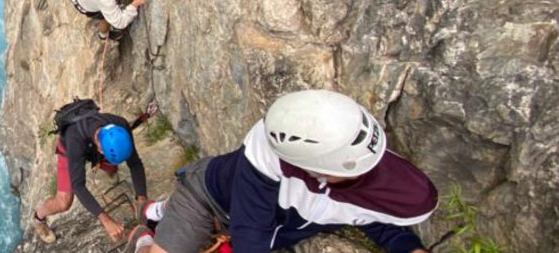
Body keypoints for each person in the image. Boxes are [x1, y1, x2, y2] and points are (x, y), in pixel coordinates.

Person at [131, 90, 439, 253]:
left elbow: (363, 213)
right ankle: (144, 234)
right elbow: (250, 233)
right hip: (205, 197)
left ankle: (156, 211)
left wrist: (408, 247)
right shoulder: (267, 158)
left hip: (237, 213)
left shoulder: (355, 155)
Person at [31, 105, 148, 244]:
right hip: (69, 150)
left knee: (112, 169)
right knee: (64, 202)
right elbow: (78, 186)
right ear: (101, 151)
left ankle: (110, 170)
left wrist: (142, 201)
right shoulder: (74, 140)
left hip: (93, 144)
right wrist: (106, 220)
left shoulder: (121, 125)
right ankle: (38, 218)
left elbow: (135, 163)